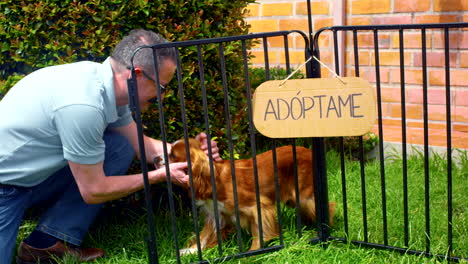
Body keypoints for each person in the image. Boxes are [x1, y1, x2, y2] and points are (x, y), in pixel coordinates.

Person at [0, 29, 221, 264]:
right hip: (6, 188)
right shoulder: (84, 105)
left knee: (120, 146)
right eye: (162, 87)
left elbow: (141, 145)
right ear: (136, 75)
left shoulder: (105, 86)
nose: (162, 96)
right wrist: (159, 175)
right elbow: (94, 190)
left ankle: (46, 244)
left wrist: (192, 153)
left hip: (35, 177)